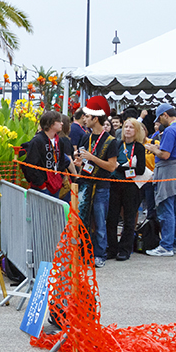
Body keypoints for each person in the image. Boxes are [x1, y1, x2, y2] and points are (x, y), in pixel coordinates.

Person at [72, 96, 119, 268]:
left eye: (86, 116)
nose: (83, 119)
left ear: (95, 118)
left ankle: (100, 254)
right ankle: (85, 253)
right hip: (85, 183)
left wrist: (92, 158)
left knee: (99, 222)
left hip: (101, 186)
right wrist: (80, 163)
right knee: (83, 221)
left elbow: (112, 166)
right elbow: (85, 161)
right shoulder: (86, 137)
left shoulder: (111, 141)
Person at [144, 103, 176, 257]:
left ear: (165, 115)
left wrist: (152, 149)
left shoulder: (170, 130)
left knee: (166, 208)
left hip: (168, 170)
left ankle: (166, 246)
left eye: (159, 118)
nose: (159, 122)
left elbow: (165, 154)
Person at [106, 118, 147, 261]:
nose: (128, 129)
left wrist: (121, 168)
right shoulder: (117, 144)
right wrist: (123, 168)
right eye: (126, 127)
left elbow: (140, 169)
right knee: (111, 218)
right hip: (115, 184)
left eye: (131, 127)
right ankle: (112, 248)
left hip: (131, 186)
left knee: (129, 219)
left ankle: (125, 249)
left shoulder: (139, 147)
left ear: (136, 131)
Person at [21, 110, 69, 197]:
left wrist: (60, 178)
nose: (62, 123)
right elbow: (30, 164)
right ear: (51, 124)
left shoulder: (60, 141)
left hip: (56, 185)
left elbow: (61, 161)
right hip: (42, 186)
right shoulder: (37, 141)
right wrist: (41, 184)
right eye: (59, 121)